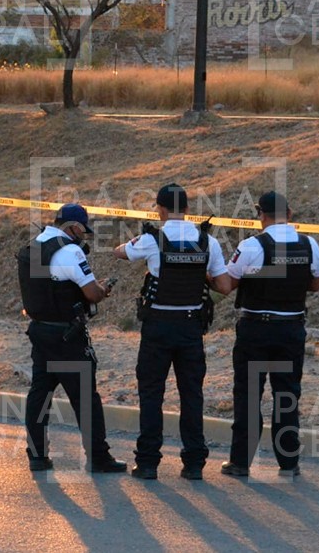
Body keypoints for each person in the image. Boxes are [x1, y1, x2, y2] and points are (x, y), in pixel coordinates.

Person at [113, 183, 230, 480]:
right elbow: (222, 285)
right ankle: (193, 464)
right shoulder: (207, 241)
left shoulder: (153, 239)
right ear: (188, 209)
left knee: (151, 394)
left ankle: (149, 462)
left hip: (158, 327)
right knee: (192, 394)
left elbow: (120, 253)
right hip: (191, 328)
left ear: (160, 209)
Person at [220, 191, 319, 478]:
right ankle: (289, 462)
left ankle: (240, 462)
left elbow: (228, 283)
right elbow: (315, 285)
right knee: (287, 396)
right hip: (291, 329)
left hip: (256, 329)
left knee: (249, 395)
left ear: (260, 216)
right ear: (289, 214)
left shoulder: (252, 246)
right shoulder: (309, 244)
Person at [19, 203, 127, 473]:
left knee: (39, 395)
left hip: (40, 332)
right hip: (67, 336)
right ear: (74, 226)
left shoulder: (32, 247)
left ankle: (37, 455)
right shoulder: (69, 250)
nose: (83, 235)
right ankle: (99, 457)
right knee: (85, 398)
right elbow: (91, 293)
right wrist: (103, 289)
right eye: (83, 230)